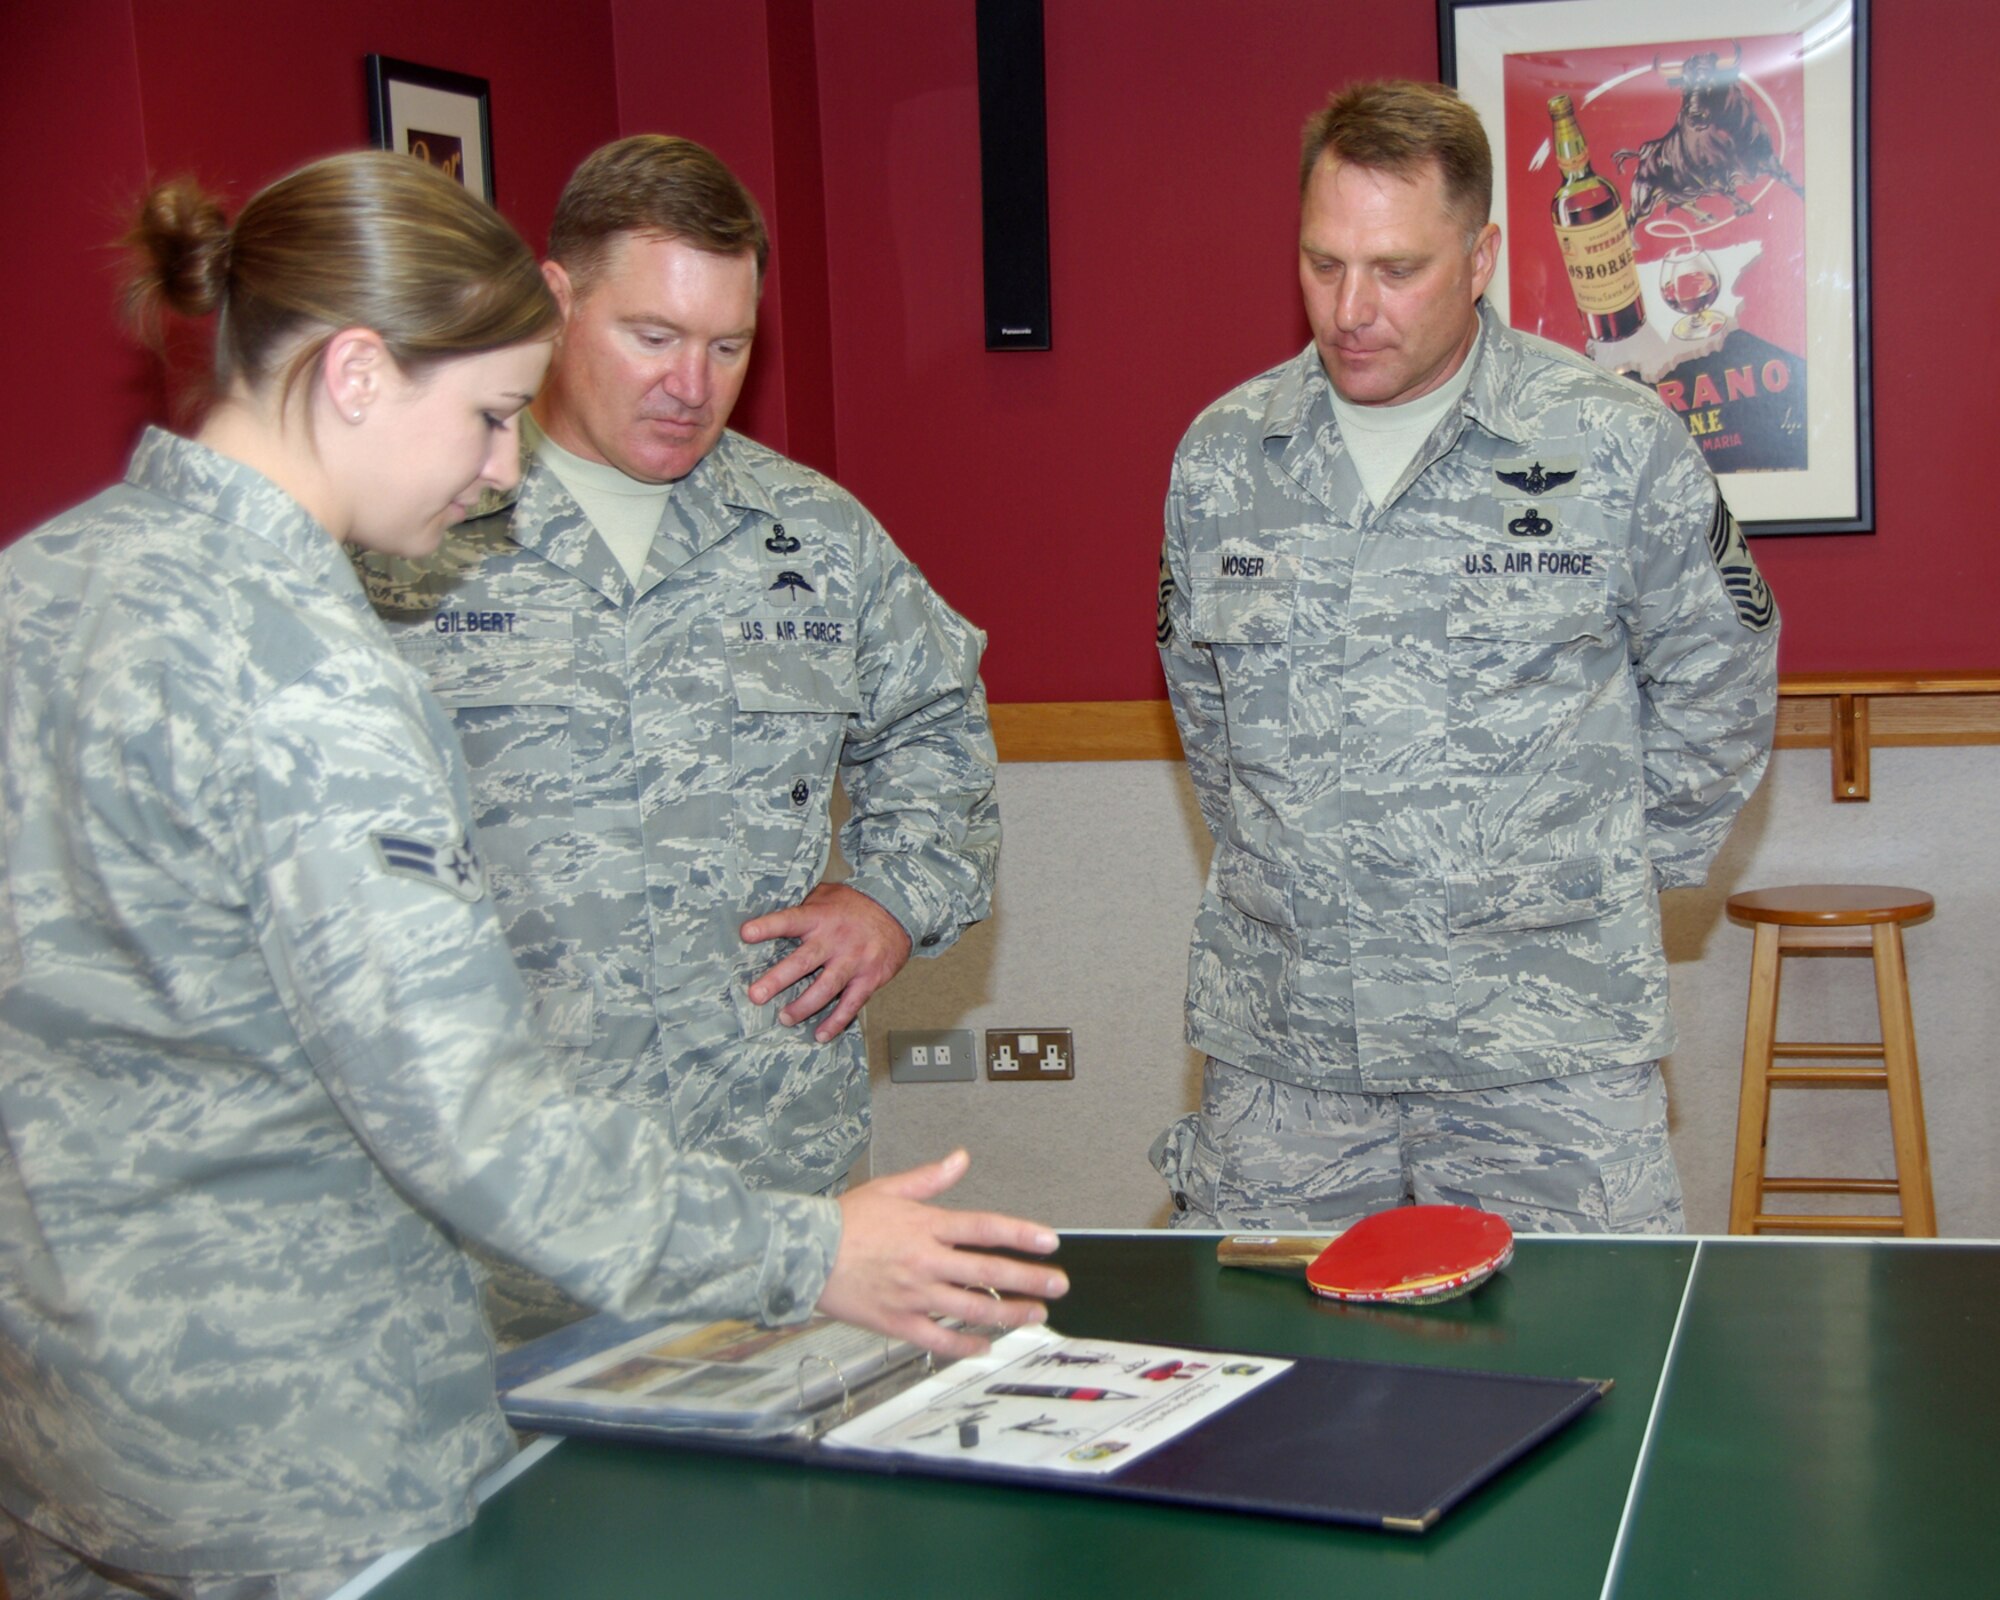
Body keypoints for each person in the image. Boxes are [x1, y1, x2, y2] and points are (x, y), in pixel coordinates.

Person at [0, 152, 1063, 1600]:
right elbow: (463, 1116)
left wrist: (888, 892)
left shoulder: (39, 587)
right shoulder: (311, 658)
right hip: (314, 1434)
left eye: (729, 344)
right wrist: (807, 1249)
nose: (500, 467)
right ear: (360, 373)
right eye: (493, 414)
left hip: (78, 1425)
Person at [1152, 81, 1778, 1234]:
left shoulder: (1609, 440)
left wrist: (1575, 888)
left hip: (1542, 1050)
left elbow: (1719, 681)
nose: (1350, 308)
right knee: (1271, 1389)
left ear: (1481, 254)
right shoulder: (1222, 461)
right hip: (1290, 1055)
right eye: (1322, 263)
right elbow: (1208, 720)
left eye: (1396, 269)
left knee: (1586, 1368)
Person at [361, 134, 998, 1251]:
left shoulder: (815, 535)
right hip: (498, 1180)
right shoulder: (420, 529)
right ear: (555, 302)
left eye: (728, 344)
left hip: (767, 1163)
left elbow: (934, 722)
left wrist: (890, 898)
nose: (691, 386)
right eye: (651, 337)